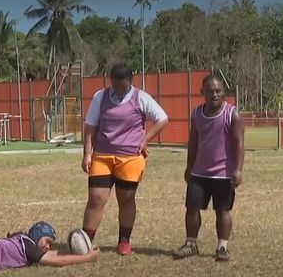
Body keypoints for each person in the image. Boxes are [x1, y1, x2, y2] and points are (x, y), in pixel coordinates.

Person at [81, 62, 168, 255]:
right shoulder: (100, 96)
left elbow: (162, 118)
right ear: (110, 81)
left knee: (126, 199)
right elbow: (91, 127)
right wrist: (87, 153)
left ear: (131, 81)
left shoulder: (141, 97)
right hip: (103, 155)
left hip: (130, 157)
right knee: (96, 198)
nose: (119, 90)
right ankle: (85, 242)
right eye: (116, 86)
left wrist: (145, 140)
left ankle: (124, 241)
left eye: (124, 86)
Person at [172, 74, 244, 262]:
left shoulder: (232, 114)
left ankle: (222, 247)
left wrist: (238, 170)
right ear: (202, 92)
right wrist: (189, 166)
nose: (214, 94)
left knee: (222, 210)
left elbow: (239, 144)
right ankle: (190, 244)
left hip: (223, 174)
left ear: (224, 93)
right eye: (210, 91)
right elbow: (193, 143)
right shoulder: (196, 114)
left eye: (218, 91)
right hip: (199, 173)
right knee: (192, 208)